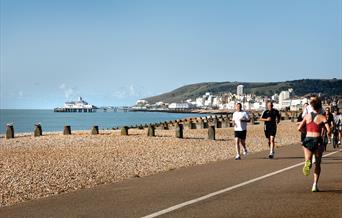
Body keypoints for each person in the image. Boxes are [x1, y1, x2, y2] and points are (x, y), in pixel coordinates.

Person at [298, 97, 331, 192]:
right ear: (320, 106)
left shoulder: (307, 116)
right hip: (318, 140)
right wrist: (328, 134)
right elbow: (328, 129)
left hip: (308, 139)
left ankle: (307, 163)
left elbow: (299, 128)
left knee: (308, 159)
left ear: (311, 106)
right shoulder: (322, 117)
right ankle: (314, 185)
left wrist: (306, 131)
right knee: (317, 164)